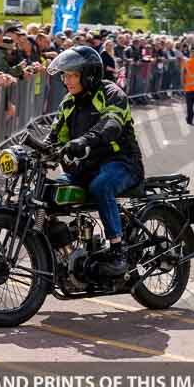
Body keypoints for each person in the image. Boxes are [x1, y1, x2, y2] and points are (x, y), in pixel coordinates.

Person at [45, 46, 144, 277]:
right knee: (47, 193)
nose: (66, 80)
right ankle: (65, 250)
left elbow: (111, 124)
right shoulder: (68, 103)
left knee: (101, 186)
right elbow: (53, 138)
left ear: (88, 75)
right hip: (85, 169)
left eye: (72, 75)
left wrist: (84, 141)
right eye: (64, 75)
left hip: (122, 162)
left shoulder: (111, 93)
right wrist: (30, 151)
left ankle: (118, 252)